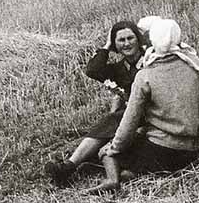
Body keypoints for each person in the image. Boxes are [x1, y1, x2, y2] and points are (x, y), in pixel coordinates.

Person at [87, 19, 199, 193]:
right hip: (191, 150)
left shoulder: (145, 75)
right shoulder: (196, 66)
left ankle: (112, 179)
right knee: (136, 165)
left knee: (105, 153)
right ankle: (134, 173)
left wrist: (114, 148)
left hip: (159, 149)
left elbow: (130, 120)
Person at [45, 21, 145, 185]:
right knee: (110, 125)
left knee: (111, 121)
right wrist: (106, 46)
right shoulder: (120, 68)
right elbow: (93, 70)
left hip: (149, 114)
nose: (127, 44)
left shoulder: (149, 59)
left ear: (138, 39)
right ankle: (72, 166)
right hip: (129, 116)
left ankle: (69, 166)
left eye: (130, 38)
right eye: (121, 40)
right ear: (115, 44)